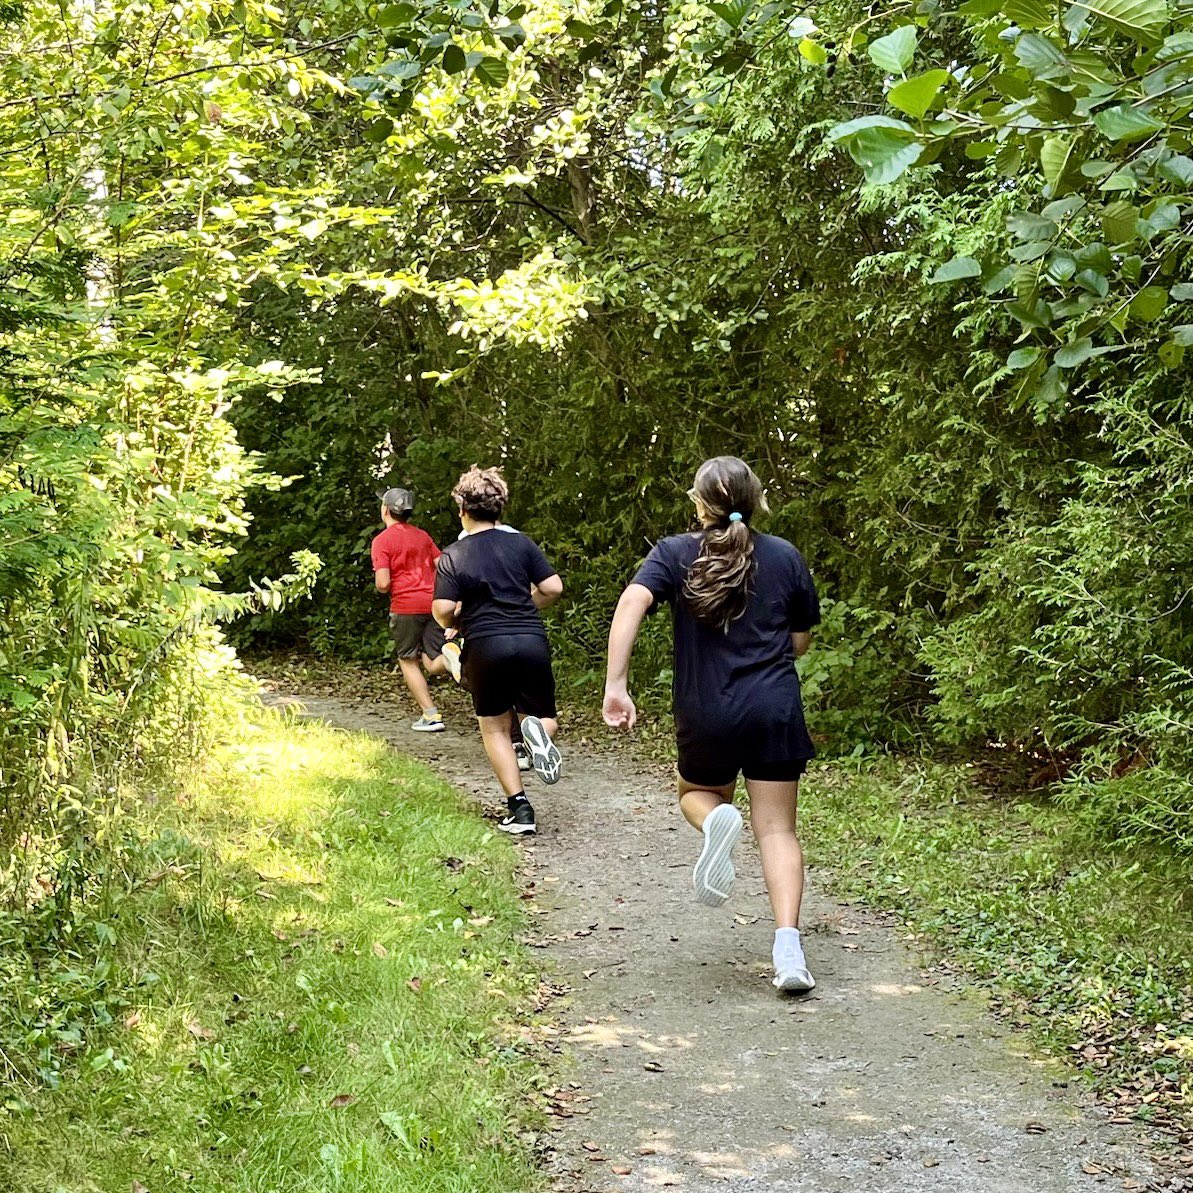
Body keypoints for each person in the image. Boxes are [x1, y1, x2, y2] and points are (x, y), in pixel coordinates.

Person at [602, 457, 820, 992]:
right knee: (779, 830)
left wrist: (616, 683)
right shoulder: (785, 556)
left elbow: (633, 600)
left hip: (707, 710)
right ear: (757, 499)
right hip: (773, 708)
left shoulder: (675, 553)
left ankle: (716, 820)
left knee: (696, 792)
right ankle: (789, 952)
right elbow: (798, 640)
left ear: (699, 504)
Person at [433, 466, 563, 834]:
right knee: (543, 716)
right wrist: (524, 605)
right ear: (499, 507)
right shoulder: (521, 543)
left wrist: (457, 617)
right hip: (529, 638)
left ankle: (520, 811)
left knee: (494, 729)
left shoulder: (454, 554)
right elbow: (553, 587)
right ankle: (537, 734)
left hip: (485, 643)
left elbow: (442, 609)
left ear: (462, 508)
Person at [370, 486, 459, 732]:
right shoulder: (422, 536)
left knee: (407, 660)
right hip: (433, 604)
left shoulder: (382, 541)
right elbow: (443, 567)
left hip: (406, 607)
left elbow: (383, 583)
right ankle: (457, 659)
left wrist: (383, 586)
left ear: (385, 510)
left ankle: (431, 715)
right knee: (432, 661)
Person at [457, 520, 532, 774]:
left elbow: (460, 592)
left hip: (484, 632)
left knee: (489, 693)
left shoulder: (464, 542)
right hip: (525, 631)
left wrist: (457, 620)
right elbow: (546, 585)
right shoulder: (518, 539)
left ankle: (516, 745)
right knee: (522, 688)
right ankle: (532, 738)